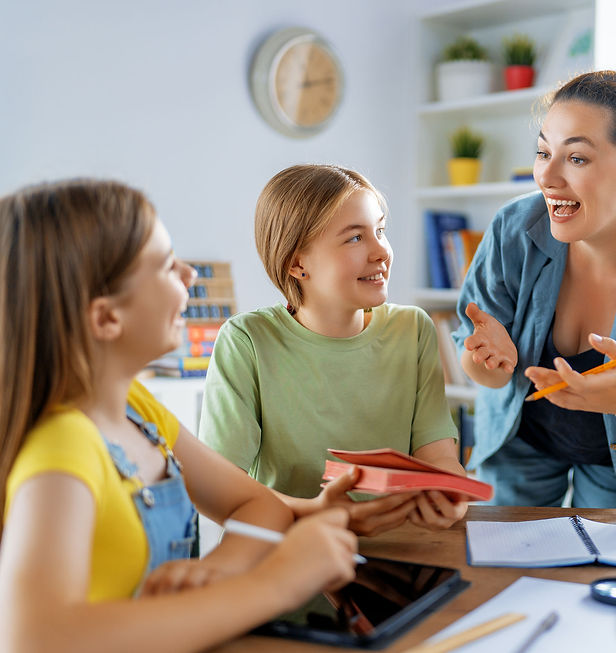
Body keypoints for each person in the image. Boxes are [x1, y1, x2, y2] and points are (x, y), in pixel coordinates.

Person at [0, 179, 360, 652]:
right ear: (107, 317)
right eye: (168, 266)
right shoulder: (63, 445)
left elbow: (259, 504)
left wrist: (220, 569)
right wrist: (275, 583)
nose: (190, 274)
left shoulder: (138, 411)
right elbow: (33, 638)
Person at [452, 53, 616, 511]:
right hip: (521, 439)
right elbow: (479, 364)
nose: (547, 177)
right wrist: (486, 361)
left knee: (601, 569)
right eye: (543, 152)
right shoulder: (514, 229)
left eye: (575, 157)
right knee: (499, 563)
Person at [199, 164, 467, 533]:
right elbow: (219, 487)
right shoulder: (247, 341)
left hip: (403, 562)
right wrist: (317, 513)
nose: (381, 252)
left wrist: (449, 494)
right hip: (292, 563)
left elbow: (437, 455)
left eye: (380, 231)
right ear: (296, 262)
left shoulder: (413, 329)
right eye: (355, 238)